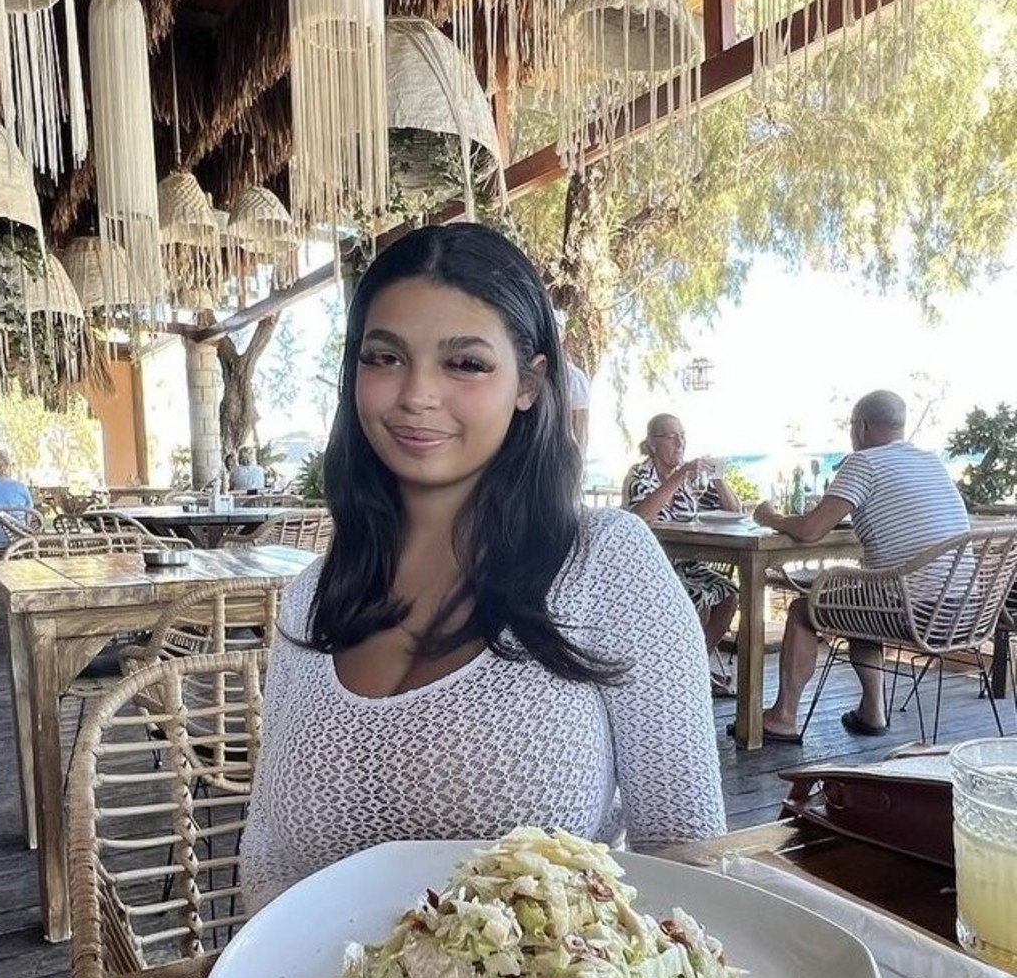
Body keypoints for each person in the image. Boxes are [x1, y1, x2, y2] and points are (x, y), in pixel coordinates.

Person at [242, 223, 725, 912]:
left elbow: (688, 862)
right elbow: (266, 847)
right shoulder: (311, 599)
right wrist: (266, 972)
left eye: (465, 363)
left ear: (529, 383)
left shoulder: (606, 566)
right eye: (385, 357)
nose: (416, 394)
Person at [754, 389, 970, 742]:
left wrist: (771, 518)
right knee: (860, 600)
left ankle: (783, 717)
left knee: (802, 610)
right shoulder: (931, 462)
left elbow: (810, 531)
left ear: (861, 427)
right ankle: (872, 712)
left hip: (916, 613)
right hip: (967, 612)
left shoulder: (864, 463)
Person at [623, 414, 741, 696]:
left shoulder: (690, 479)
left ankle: (694, 669)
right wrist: (678, 476)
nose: (680, 443)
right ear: (652, 444)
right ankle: (687, 675)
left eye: (683, 436)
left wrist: (718, 477)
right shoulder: (640, 475)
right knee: (698, 598)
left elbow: (736, 512)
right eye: (671, 436)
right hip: (650, 567)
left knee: (729, 595)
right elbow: (640, 517)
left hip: (687, 564)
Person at [553, 308, 590, 456]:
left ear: (562, 335)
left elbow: (580, 431)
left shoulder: (574, 378)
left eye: (556, 328)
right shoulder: (521, 369)